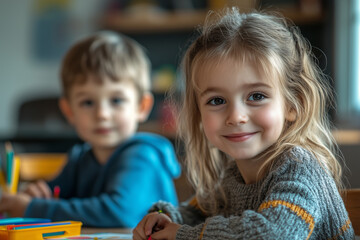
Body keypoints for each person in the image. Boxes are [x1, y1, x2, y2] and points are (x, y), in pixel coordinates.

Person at [132, 8, 355, 240]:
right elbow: (194, 213)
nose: (236, 116)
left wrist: (184, 235)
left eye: (256, 96)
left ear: (293, 104)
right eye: (217, 100)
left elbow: (273, 235)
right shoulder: (234, 176)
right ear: (198, 112)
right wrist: (162, 216)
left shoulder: (299, 167)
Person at [0, 31, 181, 228]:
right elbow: (51, 195)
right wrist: (33, 195)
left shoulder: (143, 156)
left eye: (116, 100)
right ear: (69, 111)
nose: (102, 114)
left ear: (142, 107)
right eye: (87, 102)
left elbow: (119, 212)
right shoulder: (80, 159)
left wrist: (32, 208)